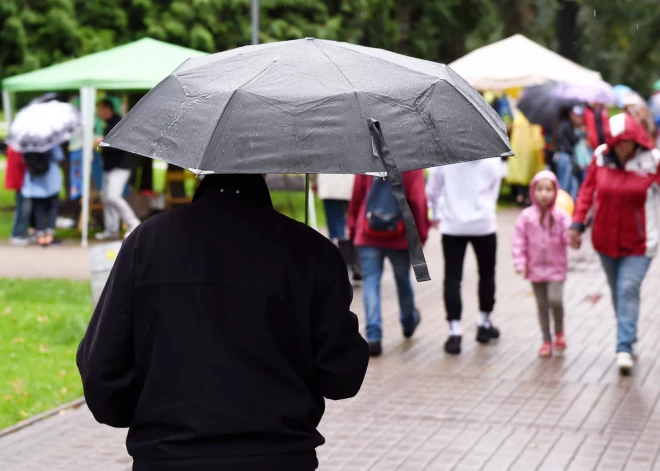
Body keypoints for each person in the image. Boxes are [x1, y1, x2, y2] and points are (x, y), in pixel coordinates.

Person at [77, 173, 369, 471]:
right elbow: (342, 377)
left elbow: (103, 372)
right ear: (266, 167)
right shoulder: (313, 251)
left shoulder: (146, 242)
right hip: (279, 457)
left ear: (197, 171)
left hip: (168, 456)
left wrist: (148, 417)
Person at [570, 113, 660, 375]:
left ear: (637, 140)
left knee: (627, 289)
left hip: (641, 243)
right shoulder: (600, 157)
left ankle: (623, 348)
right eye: (618, 142)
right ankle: (628, 335)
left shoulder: (652, 161)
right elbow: (587, 191)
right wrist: (577, 224)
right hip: (605, 240)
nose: (623, 147)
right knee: (617, 292)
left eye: (627, 141)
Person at [347, 171, 428, 357]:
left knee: (371, 283)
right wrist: (420, 234)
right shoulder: (410, 161)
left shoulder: (367, 155)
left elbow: (357, 195)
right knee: (403, 281)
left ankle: (374, 337)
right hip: (399, 233)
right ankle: (408, 321)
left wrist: (353, 227)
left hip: (368, 230)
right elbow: (417, 200)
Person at [426, 159, 502, 355]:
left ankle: (455, 331)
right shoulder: (492, 154)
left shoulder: (444, 153)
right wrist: (486, 210)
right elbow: (495, 188)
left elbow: (433, 188)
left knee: (452, 277)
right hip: (483, 225)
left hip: (452, 224)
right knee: (486, 273)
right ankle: (483, 323)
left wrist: (435, 213)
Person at [512, 171, 571, 357]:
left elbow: (569, 237)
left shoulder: (561, 217)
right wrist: (520, 262)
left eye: (548, 189)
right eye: (539, 189)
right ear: (533, 191)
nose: (544, 194)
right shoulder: (526, 217)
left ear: (555, 192)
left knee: (555, 300)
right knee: (542, 305)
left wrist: (573, 238)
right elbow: (518, 241)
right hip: (535, 269)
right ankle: (546, 340)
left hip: (556, 268)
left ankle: (559, 332)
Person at [94, 99, 141, 240]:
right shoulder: (109, 124)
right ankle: (111, 229)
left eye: (100, 109)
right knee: (107, 199)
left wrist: (102, 142)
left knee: (113, 197)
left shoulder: (117, 123)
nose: (98, 113)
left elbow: (119, 146)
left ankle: (134, 223)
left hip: (120, 166)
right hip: (110, 166)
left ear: (107, 109)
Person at [20, 146, 64, 247]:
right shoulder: (51, 141)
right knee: (53, 206)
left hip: (35, 179)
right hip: (50, 179)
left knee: (38, 208)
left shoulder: (28, 143)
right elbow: (59, 156)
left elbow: (24, 159)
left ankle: (40, 235)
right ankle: (50, 234)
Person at [506, 110, 546, 206]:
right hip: (529, 151)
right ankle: (527, 196)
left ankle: (520, 195)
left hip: (517, 150)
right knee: (529, 175)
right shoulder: (533, 118)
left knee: (520, 174)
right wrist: (540, 147)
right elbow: (536, 136)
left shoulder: (518, 117)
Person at [554, 105, 584, 198]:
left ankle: (569, 205)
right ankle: (561, 206)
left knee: (573, 184)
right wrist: (581, 133)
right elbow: (573, 140)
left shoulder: (561, 124)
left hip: (562, 155)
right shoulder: (566, 125)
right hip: (564, 156)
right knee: (564, 184)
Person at [5, 145, 32, 246]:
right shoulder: (17, 148)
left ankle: (19, 233)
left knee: (21, 207)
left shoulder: (14, 147)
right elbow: (20, 163)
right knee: (23, 209)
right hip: (21, 182)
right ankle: (18, 234)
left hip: (20, 182)